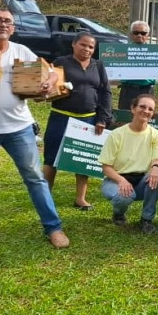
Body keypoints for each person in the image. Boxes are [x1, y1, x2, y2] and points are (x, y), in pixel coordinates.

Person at [0, 9, 69, 248]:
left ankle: (53, 228)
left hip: (19, 128)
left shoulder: (21, 51)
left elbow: (53, 72)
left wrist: (48, 83)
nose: (2, 24)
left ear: (13, 28)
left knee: (36, 179)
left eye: (8, 21)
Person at [42, 32, 112, 210]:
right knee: (51, 158)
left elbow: (105, 93)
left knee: (82, 159)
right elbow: (49, 83)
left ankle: (80, 199)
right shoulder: (61, 62)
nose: (87, 49)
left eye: (91, 47)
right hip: (61, 116)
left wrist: (102, 118)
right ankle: (44, 196)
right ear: (74, 44)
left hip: (88, 119)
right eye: (83, 45)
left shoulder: (98, 65)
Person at [97, 94, 158, 234]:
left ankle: (146, 219)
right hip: (116, 179)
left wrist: (155, 168)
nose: (146, 111)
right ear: (133, 109)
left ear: (152, 114)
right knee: (125, 196)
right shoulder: (116, 134)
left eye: (150, 109)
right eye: (142, 106)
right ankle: (118, 213)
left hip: (141, 180)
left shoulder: (157, 135)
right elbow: (106, 167)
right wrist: (121, 180)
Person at [117, 20, 156, 109]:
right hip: (127, 89)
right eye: (136, 32)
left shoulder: (155, 52)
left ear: (148, 35)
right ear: (131, 34)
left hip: (146, 89)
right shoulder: (122, 51)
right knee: (124, 117)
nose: (139, 35)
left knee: (145, 116)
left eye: (143, 33)